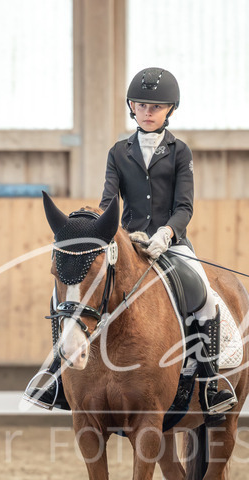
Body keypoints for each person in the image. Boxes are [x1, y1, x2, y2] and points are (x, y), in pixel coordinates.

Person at [24, 67, 236, 413]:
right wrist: (116, 234)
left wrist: (167, 233)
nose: (148, 112)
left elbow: (184, 206)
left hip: (172, 243)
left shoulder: (180, 152)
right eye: (141, 105)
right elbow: (109, 203)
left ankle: (210, 381)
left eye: (156, 107)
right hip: (127, 242)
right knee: (62, 293)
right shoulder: (119, 153)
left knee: (204, 295)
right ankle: (56, 375)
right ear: (132, 107)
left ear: (170, 110)